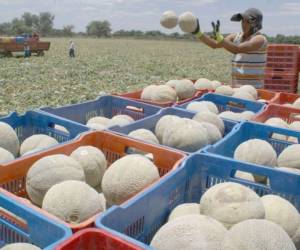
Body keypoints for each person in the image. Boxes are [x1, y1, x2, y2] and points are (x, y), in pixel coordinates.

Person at [192, 8, 267, 89]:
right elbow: (215, 44)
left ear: (256, 24)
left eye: (248, 22)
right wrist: (198, 33)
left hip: (254, 90)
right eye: (243, 21)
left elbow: (237, 49)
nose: (244, 24)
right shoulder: (236, 36)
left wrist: (220, 39)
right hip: (234, 88)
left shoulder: (259, 39)